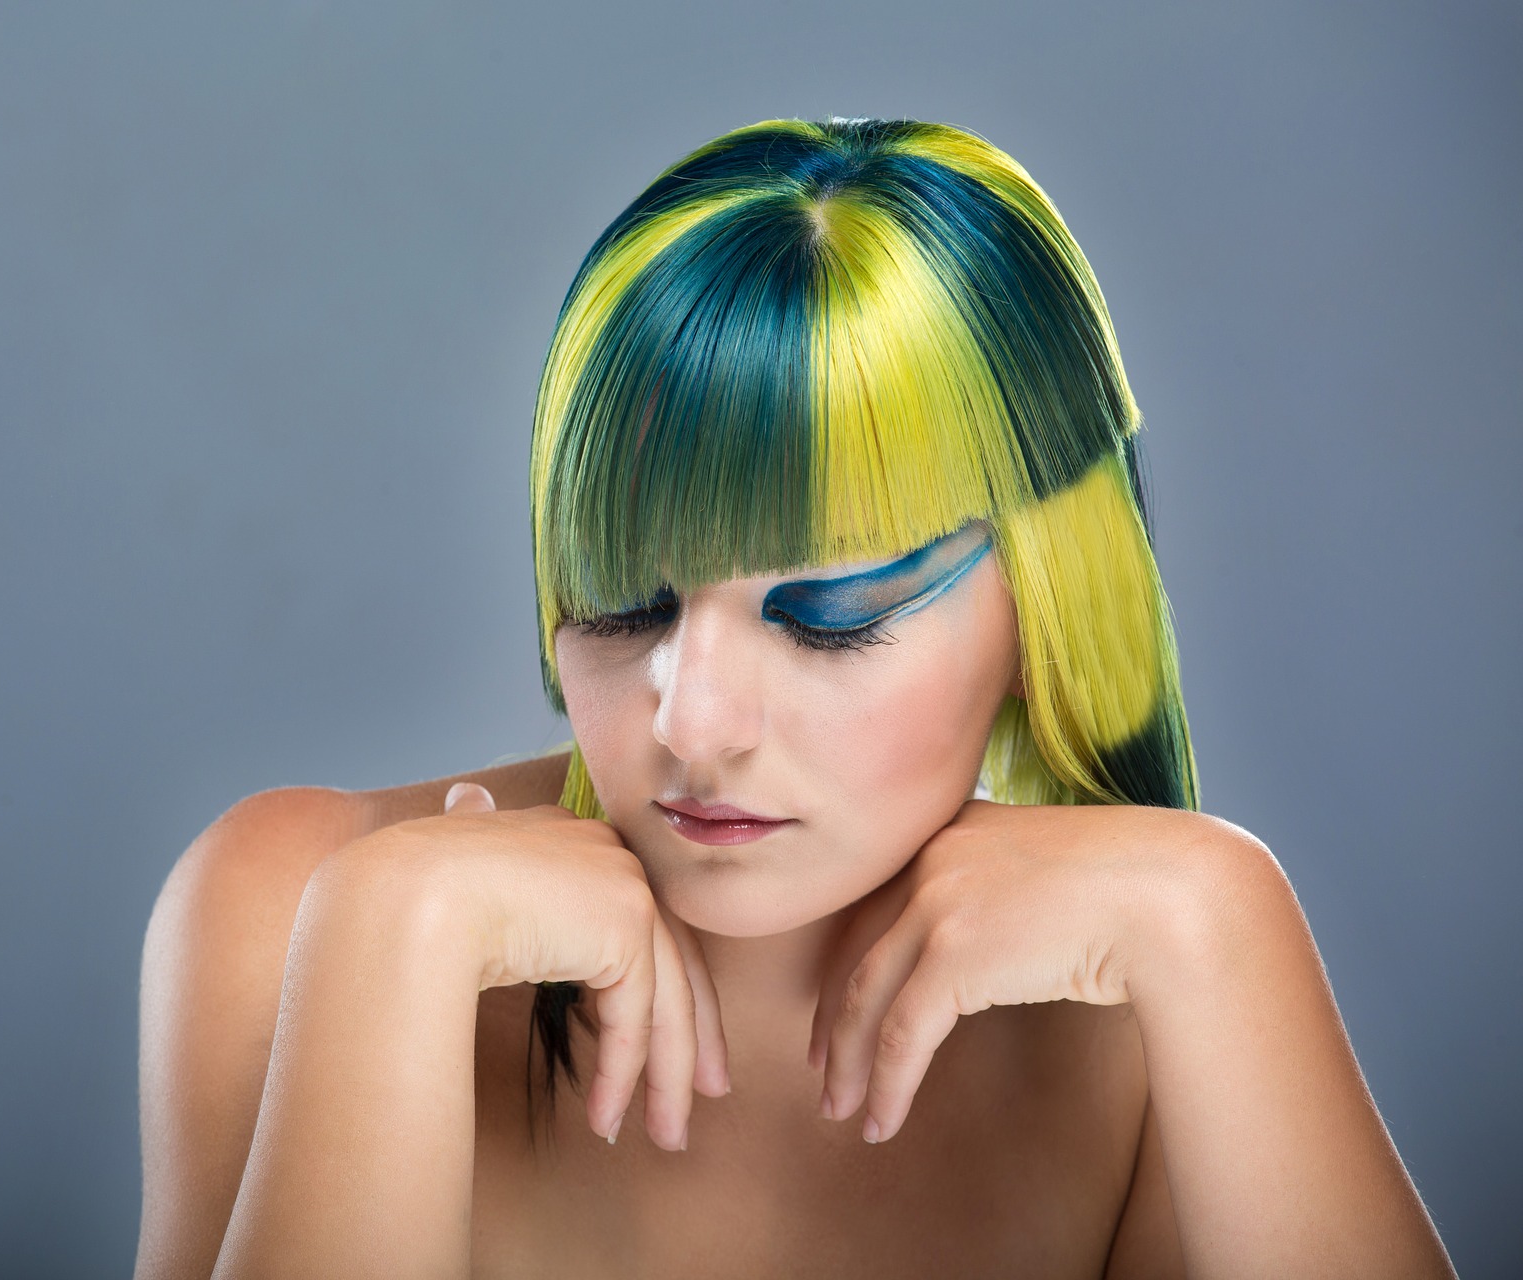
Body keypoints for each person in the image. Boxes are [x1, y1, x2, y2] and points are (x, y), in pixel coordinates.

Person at [134, 118, 1455, 1277]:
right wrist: (391, 939)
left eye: (831, 616)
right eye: (624, 606)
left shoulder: (1155, 1005)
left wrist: (1219, 916)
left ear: (1052, 592)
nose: (691, 725)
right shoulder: (294, 907)